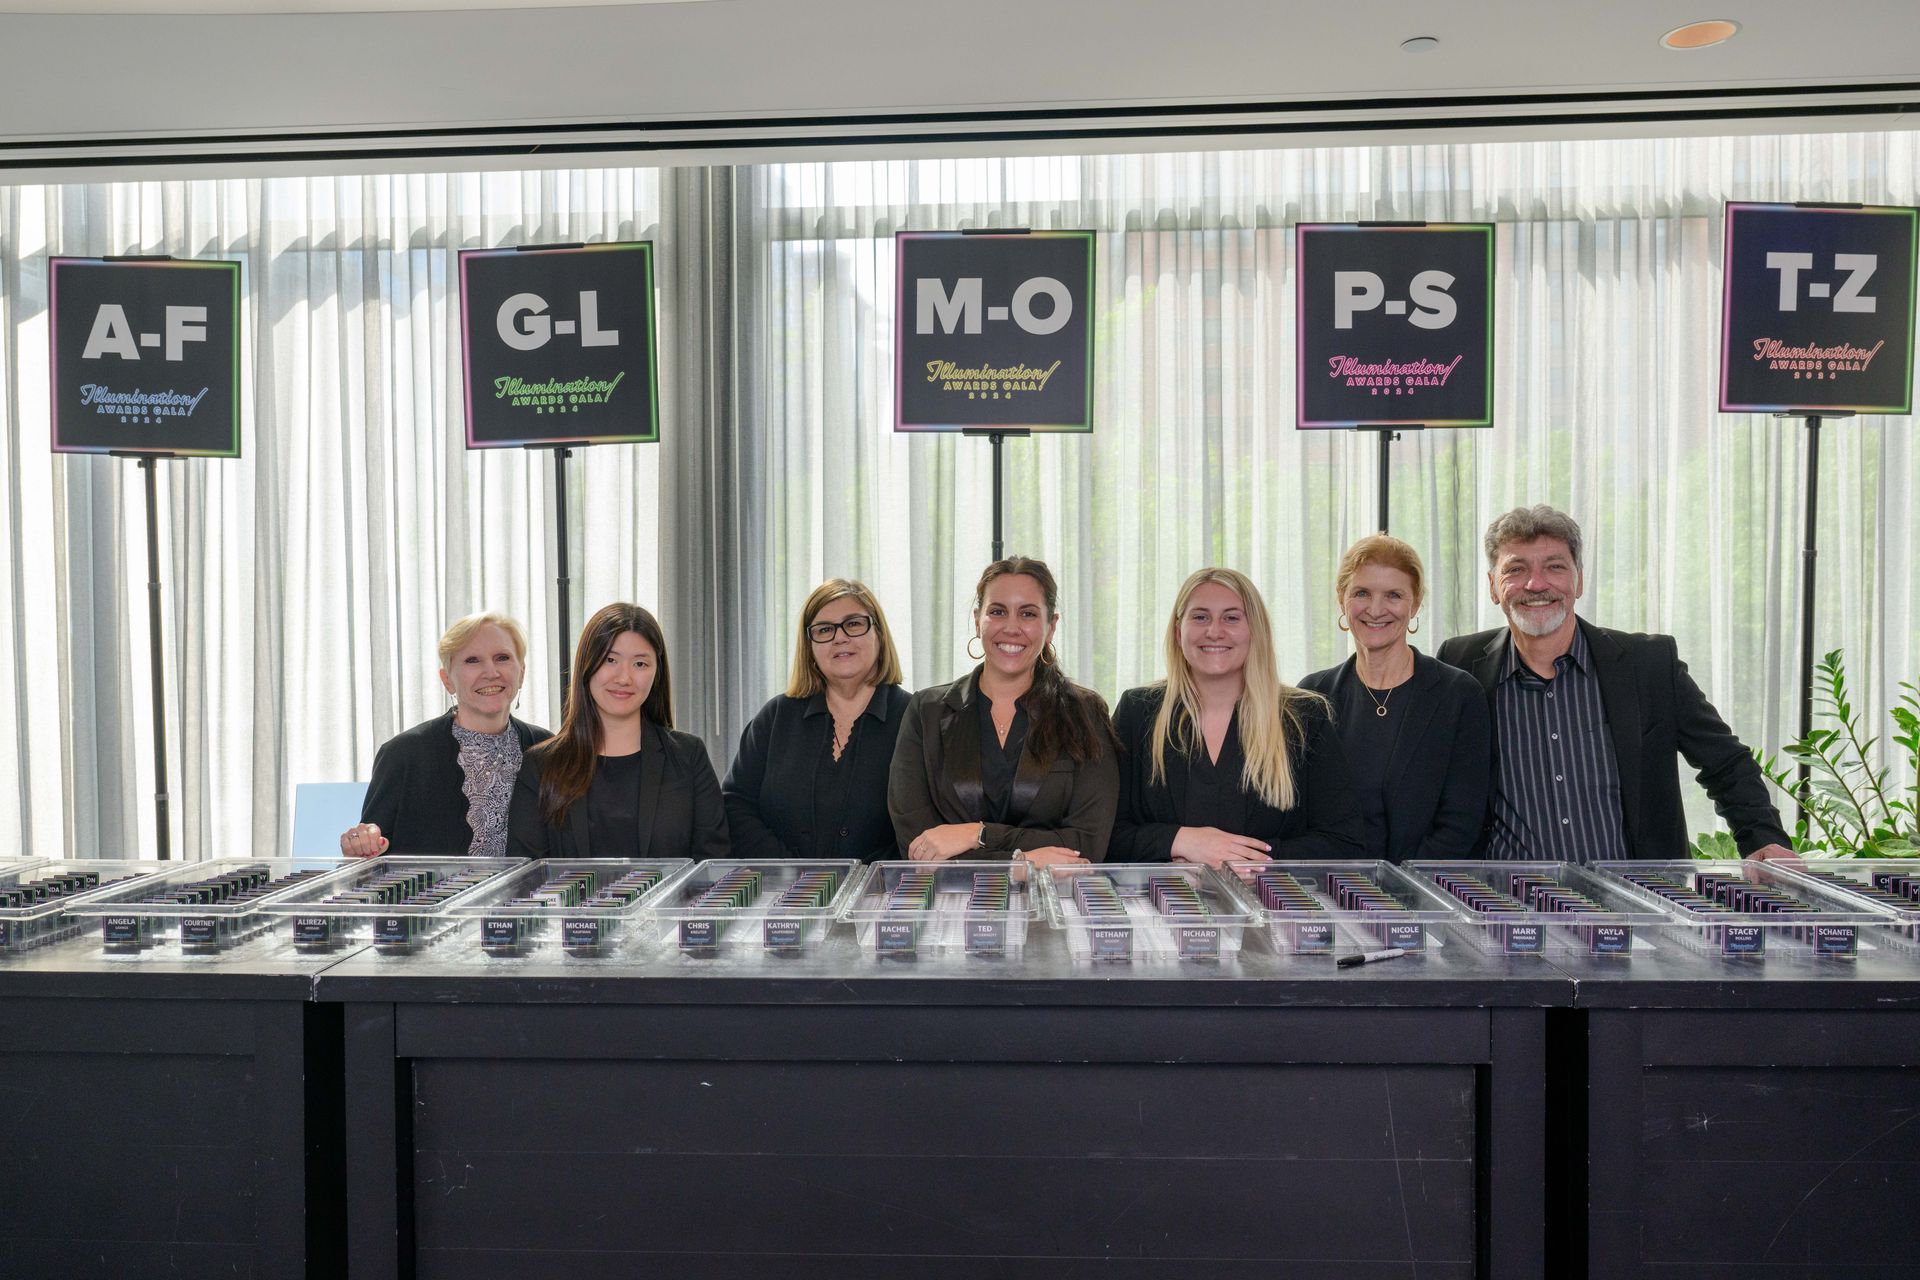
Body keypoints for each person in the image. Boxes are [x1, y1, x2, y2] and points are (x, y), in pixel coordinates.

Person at [1437, 505, 1792, 861]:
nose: (1536, 584)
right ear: (1494, 586)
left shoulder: (1648, 665)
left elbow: (1725, 762)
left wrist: (1762, 840)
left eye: (1555, 567)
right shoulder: (1460, 663)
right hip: (1506, 907)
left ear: (1578, 580)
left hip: (1635, 905)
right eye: (1516, 569)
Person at [1110, 567, 1365, 866]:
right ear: (1179, 632)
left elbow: (1345, 842)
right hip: (1161, 909)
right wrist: (1180, 841)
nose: (1214, 631)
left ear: (1255, 631)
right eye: (1200, 617)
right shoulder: (1138, 711)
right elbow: (1107, 837)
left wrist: (1247, 860)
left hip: (1273, 909)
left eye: (1231, 617)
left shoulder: (1305, 718)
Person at [888, 557, 1118, 866]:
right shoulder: (926, 712)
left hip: (1052, 908)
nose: (1011, 627)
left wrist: (977, 834)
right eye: (997, 612)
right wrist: (1027, 861)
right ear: (976, 620)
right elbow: (918, 846)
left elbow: (1087, 843)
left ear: (1051, 627)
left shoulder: (1085, 712)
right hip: (953, 905)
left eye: (1028, 614)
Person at [1299, 536, 1491, 862]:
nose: (1376, 609)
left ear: (1415, 604)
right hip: (1333, 892)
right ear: (1341, 599)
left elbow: (1462, 823)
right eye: (1362, 593)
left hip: (1429, 896)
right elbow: (1301, 814)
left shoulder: (1459, 694)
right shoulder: (1312, 696)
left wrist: (1404, 894)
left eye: (1393, 595)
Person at [507, 602, 728, 861]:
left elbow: (713, 863)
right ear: (587, 666)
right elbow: (526, 876)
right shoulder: (540, 765)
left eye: (640, 664)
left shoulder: (689, 756)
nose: (624, 678)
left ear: (656, 672)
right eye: (610, 660)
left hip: (668, 903)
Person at [723, 579, 910, 860]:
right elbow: (735, 804)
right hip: (784, 895)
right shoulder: (774, 718)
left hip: (882, 897)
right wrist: (791, 872)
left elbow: (927, 822)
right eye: (824, 629)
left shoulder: (915, 718)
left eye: (854, 624)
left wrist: (868, 880)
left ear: (879, 635)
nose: (840, 637)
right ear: (809, 648)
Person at [341, 612, 547, 858]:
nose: (491, 672)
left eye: (502, 658)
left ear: (521, 672)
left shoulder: (549, 750)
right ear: (447, 679)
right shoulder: (404, 754)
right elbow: (371, 859)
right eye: (472, 660)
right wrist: (361, 843)